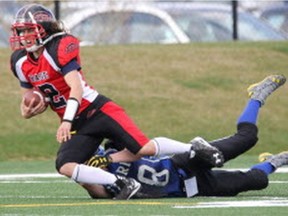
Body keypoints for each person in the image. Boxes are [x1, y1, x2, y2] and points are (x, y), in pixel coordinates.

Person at [9, 4, 224, 200]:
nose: (24, 35)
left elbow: (76, 87)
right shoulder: (20, 61)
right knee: (64, 166)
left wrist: (65, 120)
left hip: (97, 110)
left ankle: (193, 147)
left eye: (29, 29)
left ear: (44, 29)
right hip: (78, 124)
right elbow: (27, 98)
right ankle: (121, 183)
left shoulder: (58, 48)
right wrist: (29, 109)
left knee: (143, 148)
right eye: (22, 31)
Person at [83, 74, 287, 199]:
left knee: (248, 137)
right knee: (256, 180)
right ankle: (274, 161)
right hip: (190, 188)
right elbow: (97, 193)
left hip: (184, 162)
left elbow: (139, 147)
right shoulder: (105, 184)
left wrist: (109, 158)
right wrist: (84, 178)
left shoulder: (112, 146)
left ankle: (257, 96)